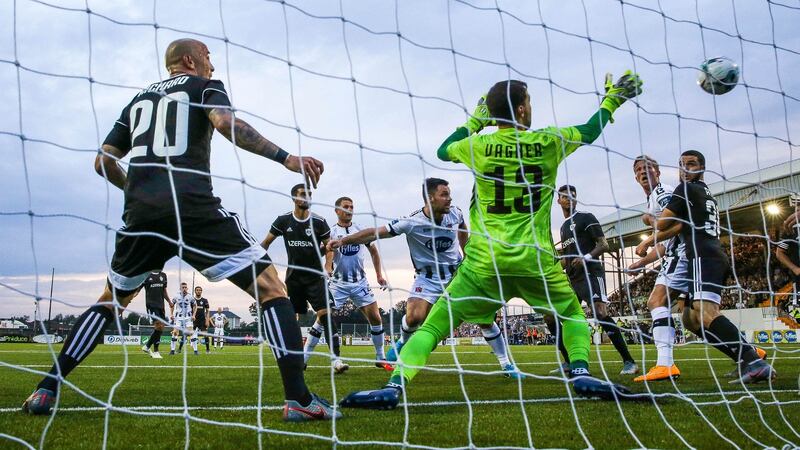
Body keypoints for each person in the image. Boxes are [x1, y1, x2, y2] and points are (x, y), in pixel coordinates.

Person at [22, 38, 339, 422]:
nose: (213, 65)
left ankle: (45, 389)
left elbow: (102, 162)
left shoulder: (137, 101)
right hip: (191, 206)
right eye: (208, 57)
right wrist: (286, 157)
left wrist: (138, 193)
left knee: (110, 301)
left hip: (141, 215)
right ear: (190, 60)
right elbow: (225, 122)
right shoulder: (203, 86)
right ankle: (299, 400)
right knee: (271, 287)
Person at [340, 72, 643, 409]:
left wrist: (475, 121)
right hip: (534, 259)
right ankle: (582, 371)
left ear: (493, 113)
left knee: (435, 325)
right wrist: (613, 99)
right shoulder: (548, 142)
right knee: (572, 315)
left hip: (484, 263)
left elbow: (442, 151)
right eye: (529, 101)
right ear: (523, 110)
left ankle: (394, 386)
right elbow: (589, 131)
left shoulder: (479, 146)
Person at [327, 178, 522, 378]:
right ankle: (403, 342)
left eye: (449, 194)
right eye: (444, 194)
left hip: (457, 276)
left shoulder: (455, 213)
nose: (449, 198)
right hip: (427, 279)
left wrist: (466, 255)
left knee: (485, 318)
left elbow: (463, 229)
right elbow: (374, 233)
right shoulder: (412, 222)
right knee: (414, 318)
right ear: (430, 198)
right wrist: (343, 240)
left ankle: (506, 364)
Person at [640, 150, 775, 384]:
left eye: (691, 164)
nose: (685, 169)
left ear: (702, 168)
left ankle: (752, 359)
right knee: (691, 319)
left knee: (705, 313)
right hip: (707, 255)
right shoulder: (707, 194)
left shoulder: (684, 189)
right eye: (681, 165)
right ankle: (746, 356)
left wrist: (648, 221)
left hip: (701, 255)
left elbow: (663, 223)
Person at [262, 184, 347, 374]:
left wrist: (328, 265)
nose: (307, 197)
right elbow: (265, 244)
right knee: (293, 319)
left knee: (326, 315)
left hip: (315, 278)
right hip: (293, 279)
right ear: (294, 198)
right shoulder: (283, 220)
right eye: (302, 194)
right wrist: (261, 265)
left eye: (309, 194)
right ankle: (296, 359)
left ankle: (336, 360)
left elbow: (329, 246)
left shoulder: (319, 221)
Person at [556, 185, 638, 375]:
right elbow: (567, 258)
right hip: (573, 278)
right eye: (565, 196)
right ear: (558, 200)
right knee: (562, 317)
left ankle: (629, 361)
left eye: (572, 196)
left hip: (591, 273)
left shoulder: (586, 218)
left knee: (600, 313)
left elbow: (603, 245)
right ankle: (569, 361)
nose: (569, 199)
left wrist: (585, 257)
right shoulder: (562, 228)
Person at [627, 155, 688, 382]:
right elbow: (663, 244)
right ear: (635, 177)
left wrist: (646, 237)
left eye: (648, 168)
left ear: (658, 172)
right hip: (682, 254)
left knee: (656, 301)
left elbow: (678, 224)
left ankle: (665, 363)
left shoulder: (662, 193)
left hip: (682, 254)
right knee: (696, 317)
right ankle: (749, 354)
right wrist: (642, 263)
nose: (644, 171)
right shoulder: (654, 197)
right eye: (639, 169)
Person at [326, 196, 390, 369]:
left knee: (376, 318)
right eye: (346, 207)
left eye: (352, 207)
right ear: (337, 211)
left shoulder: (359, 230)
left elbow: (374, 252)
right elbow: (328, 251)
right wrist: (328, 266)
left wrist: (378, 275)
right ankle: (306, 358)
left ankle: (380, 357)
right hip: (337, 284)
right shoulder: (331, 232)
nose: (349, 210)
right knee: (322, 318)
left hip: (360, 283)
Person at [140, 270, 172, 358]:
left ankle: (147, 346)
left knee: (161, 328)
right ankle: (156, 351)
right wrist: (130, 297)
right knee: (158, 325)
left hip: (161, 305)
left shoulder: (163, 275)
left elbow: (164, 291)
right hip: (151, 305)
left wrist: (169, 301)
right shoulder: (146, 275)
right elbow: (138, 289)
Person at [171, 282, 196, 355]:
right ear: (180, 288)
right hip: (178, 317)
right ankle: (172, 350)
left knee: (191, 333)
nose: (184, 289)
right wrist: (172, 314)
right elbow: (172, 305)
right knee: (175, 333)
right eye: (183, 287)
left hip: (188, 317)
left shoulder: (190, 296)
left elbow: (195, 305)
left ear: (187, 288)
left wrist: (194, 315)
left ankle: (195, 351)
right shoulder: (176, 296)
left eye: (185, 287)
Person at [192, 286, 211, 354]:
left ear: (201, 291)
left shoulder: (205, 300)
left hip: (202, 320)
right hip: (193, 321)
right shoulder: (192, 300)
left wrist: (207, 320)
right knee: (188, 334)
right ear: (195, 291)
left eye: (200, 290)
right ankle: (179, 349)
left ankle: (208, 350)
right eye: (197, 290)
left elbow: (207, 311)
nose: (198, 291)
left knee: (205, 335)